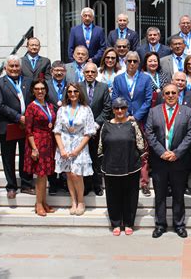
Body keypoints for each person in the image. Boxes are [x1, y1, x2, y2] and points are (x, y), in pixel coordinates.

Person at [146, 84, 191, 238]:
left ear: (178, 94)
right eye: (167, 93)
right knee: (160, 195)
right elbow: (149, 133)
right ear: (163, 95)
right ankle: (160, 225)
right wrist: (162, 152)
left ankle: (179, 224)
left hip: (179, 161)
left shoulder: (187, 112)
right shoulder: (154, 111)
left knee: (178, 194)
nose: (170, 95)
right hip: (159, 160)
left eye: (173, 93)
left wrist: (177, 153)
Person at [100, 97, 145, 236]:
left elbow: (141, 145)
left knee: (130, 196)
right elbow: (101, 147)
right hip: (111, 167)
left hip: (130, 166)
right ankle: (116, 223)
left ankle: (129, 222)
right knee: (113, 196)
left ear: (127, 109)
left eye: (123, 108)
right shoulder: (106, 125)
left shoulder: (132, 124)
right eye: (117, 108)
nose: (120, 111)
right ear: (113, 110)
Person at [0, 55, 34, 199]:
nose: (14, 69)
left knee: (26, 155)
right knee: (8, 157)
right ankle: (11, 186)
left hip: (26, 126)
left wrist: (28, 117)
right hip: (8, 125)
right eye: (11, 66)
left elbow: (34, 101)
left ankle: (26, 184)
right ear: (5, 68)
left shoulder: (28, 81)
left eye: (17, 66)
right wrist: (18, 117)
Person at [112, 51, 153, 196]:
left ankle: (144, 182)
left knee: (143, 152)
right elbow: (115, 99)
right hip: (122, 120)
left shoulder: (146, 79)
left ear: (139, 63)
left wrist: (135, 116)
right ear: (125, 62)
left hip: (141, 120)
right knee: (125, 150)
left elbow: (148, 100)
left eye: (135, 61)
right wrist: (125, 115)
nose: (132, 64)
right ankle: (127, 180)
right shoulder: (118, 79)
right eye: (129, 61)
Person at [54, 83, 96, 216]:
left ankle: (81, 201)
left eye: (75, 91)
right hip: (65, 144)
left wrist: (78, 150)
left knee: (76, 174)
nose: (72, 94)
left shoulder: (86, 109)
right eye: (70, 91)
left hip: (80, 145)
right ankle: (73, 201)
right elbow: (57, 131)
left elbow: (89, 132)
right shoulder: (61, 110)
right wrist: (61, 149)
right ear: (67, 93)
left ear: (80, 93)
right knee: (68, 174)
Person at [24, 80, 57, 216]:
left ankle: (44, 202)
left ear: (46, 90)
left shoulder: (49, 105)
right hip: (37, 143)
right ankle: (38, 204)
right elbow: (28, 130)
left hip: (48, 142)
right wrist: (34, 148)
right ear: (33, 91)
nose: (40, 91)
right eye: (37, 89)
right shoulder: (31, 107)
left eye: (42, 88)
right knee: (40, 175)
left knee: (45, 176)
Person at [79, 63, 112, 196]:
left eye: (93, 72)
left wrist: (96, 124)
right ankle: (86, 185)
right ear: (83, 73)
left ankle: (97, 185)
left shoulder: (103, 87)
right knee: (84, 158)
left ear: (96, 73)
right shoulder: (77, 87)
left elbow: (107, 107)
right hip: (81, 131)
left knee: (97, 158)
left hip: (98, 129)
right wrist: (84, 125)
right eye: (87, 72)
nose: (90, 74)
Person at [45, 60, 68, 195]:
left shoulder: (70, 85)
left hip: (66, 128)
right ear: (51, 72)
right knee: (52, 154)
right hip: (49, 126)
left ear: (65, 72)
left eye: (61, 70)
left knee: (64, 153)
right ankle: (53, 182)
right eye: (56, 70)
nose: (59, 73)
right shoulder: (46, 86)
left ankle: (65, 181)